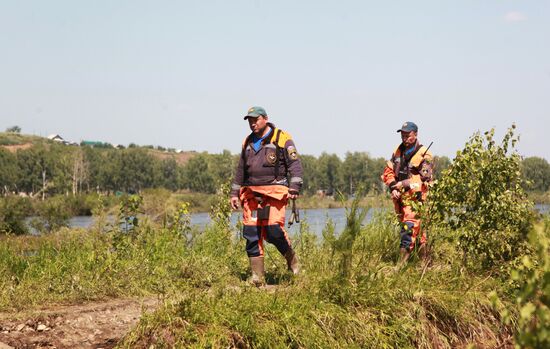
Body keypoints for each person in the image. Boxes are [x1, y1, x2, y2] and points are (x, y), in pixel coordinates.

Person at [230, 106, 303, 285]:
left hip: (275, 192)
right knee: (251, 232)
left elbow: (295, 165)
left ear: (265, 118)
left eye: (256, 120)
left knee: (273, 231)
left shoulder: (282, 138)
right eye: (250, 121)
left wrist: (294, 186)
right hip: (251, 194)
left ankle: (292, 261)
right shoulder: (247, 141)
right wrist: (234, 193)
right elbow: (241, 170)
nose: (253, 124)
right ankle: (257, 277)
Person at [381, 122, 433, 265]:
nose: (404, 138)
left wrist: (403, 184)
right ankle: (426, 265)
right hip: (401, 200)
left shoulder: (425, 154)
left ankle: (400, 267)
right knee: (420, 234)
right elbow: (388, 172)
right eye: (402, 135)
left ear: (415, 135)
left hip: (417, 200)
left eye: (407, 135)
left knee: (408, 230)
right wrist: (393, 187)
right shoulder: (397, 152)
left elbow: (425, 178)